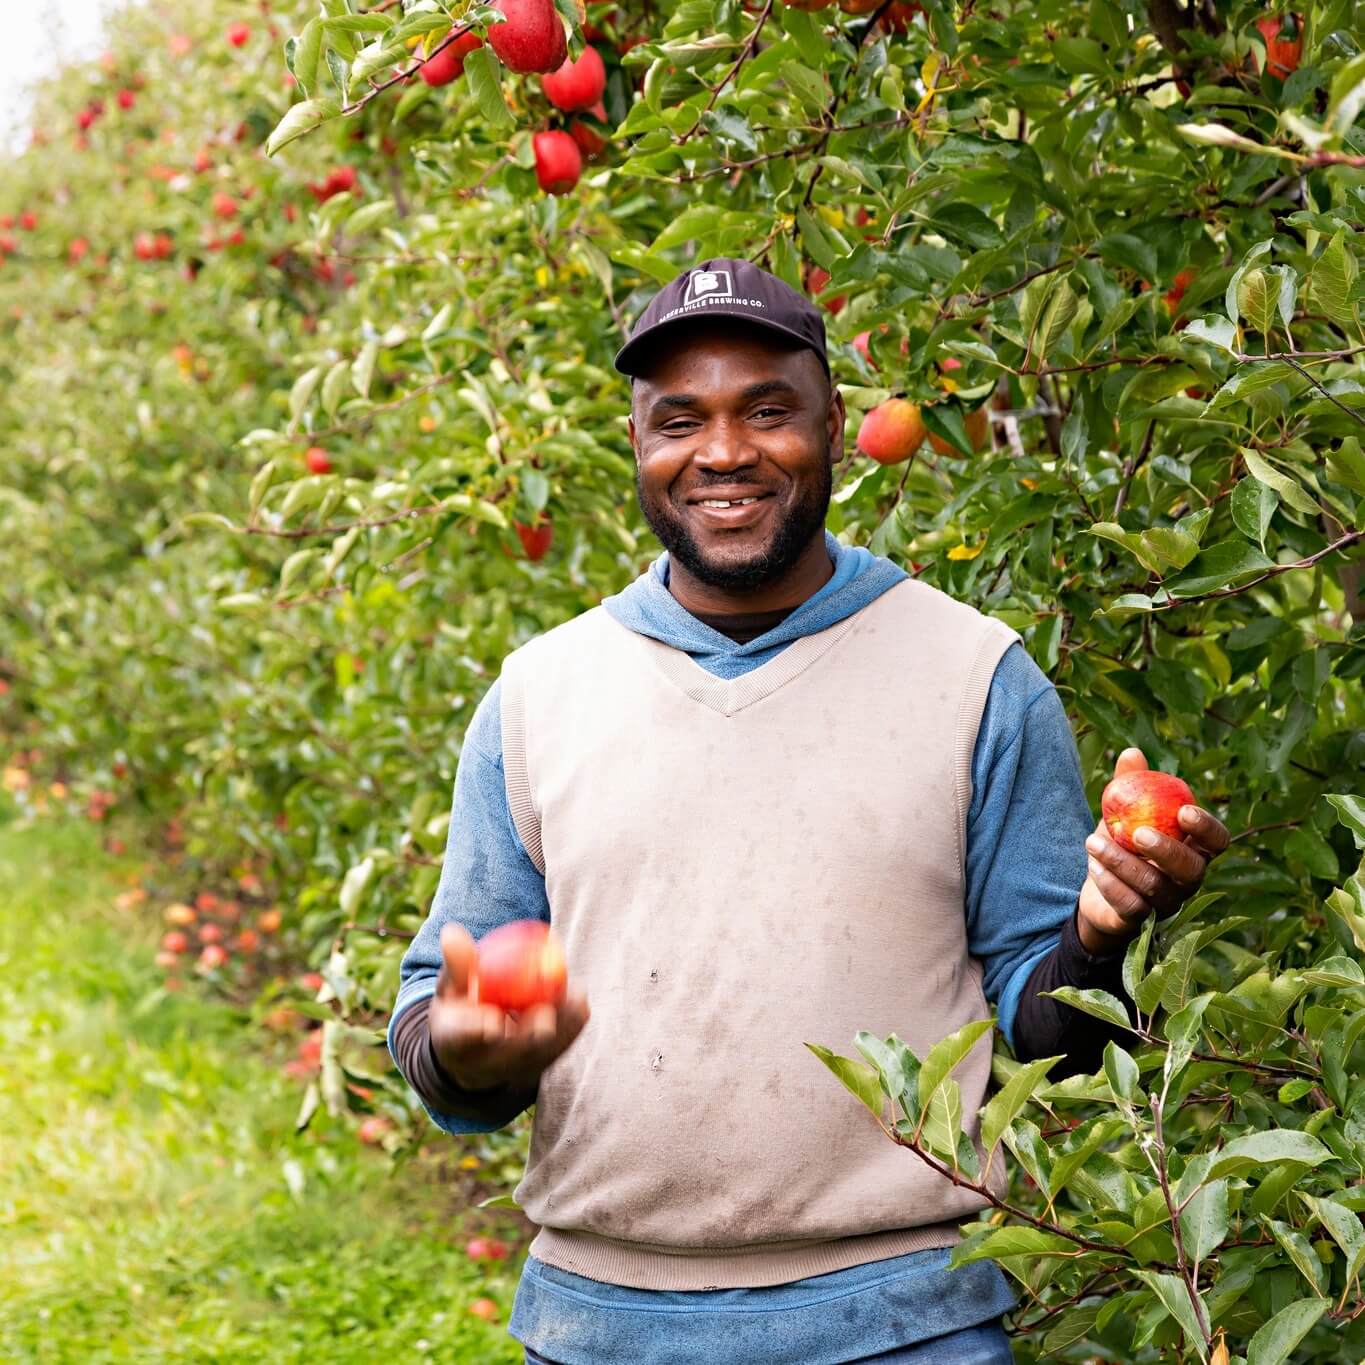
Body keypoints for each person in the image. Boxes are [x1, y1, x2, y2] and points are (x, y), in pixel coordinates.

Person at [387, 257, 1230, 1364]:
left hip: (907, 1324)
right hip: (603, 1325)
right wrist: (466, 1047)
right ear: (637, 445)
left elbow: (1048, 1037)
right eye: (679, 420)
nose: (724, 452)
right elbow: (435, 1015)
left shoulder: (975, 676)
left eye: (767, 411)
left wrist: (1103, 931)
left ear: (835, 428)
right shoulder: (541, 696)